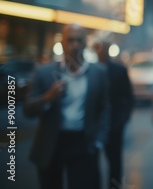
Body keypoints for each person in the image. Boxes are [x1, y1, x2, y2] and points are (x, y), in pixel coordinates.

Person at [24, 23, 110, 189]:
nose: (75, 45)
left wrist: (99, 141)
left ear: (85, 43)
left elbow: (104, 109)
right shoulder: (44, 72)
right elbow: (28, 110)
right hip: (51, 144)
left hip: (83, 144)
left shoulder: (98, 73)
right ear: (62, 43)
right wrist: (47, 98)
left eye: (79, 40)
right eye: (70, 40)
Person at [93, 40, 134, 188]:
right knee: (91, 163)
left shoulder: (119, 70)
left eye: (104, 49)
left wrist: (123, 120)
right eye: (99, 48)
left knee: (115, 162)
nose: (102, 51)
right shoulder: (91, 70)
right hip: (94, 125)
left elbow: (128, 97)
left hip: (114, 124)